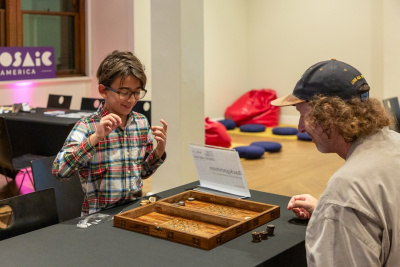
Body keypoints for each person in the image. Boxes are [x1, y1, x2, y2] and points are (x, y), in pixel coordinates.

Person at [271, 59, 400, 266]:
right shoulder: (395, 143)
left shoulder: (346, 190)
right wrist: (327, 211)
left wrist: (336, 211)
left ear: (329, 112)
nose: (300, 127)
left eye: (303, 115)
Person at [52, 50, 167, 215]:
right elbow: (59, 171)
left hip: (133, 213)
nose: (132, 99)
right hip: (98, 218)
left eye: (136, 92)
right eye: (124, 92)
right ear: (103, 90)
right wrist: (95, 139)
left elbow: (143, 172)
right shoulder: (87, 126)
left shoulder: (141, 123)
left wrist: (159, 151)